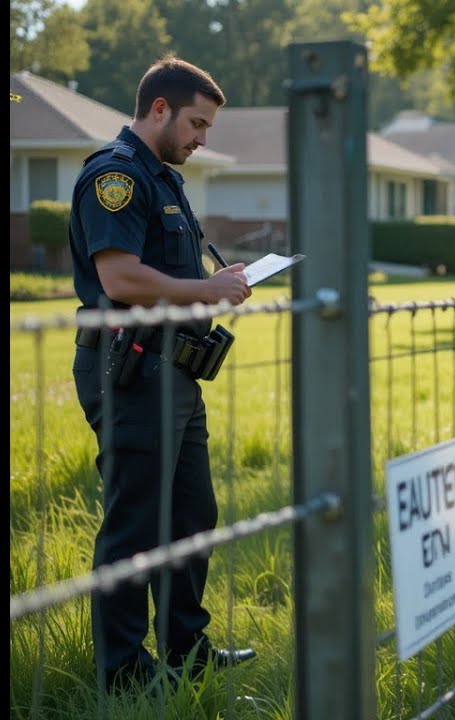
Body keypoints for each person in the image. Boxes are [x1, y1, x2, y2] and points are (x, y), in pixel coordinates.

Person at [68, 56, 256, 693]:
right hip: (130, 369)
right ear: (158, 109)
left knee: (191, 516)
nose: (202, 138)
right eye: (197, 123)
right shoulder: (116, 176)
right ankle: (121, 673)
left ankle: (187, 650)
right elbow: (118, 278)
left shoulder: (164, 180)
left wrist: (217, 284)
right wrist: (206, 290)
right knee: (136, 523)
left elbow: (172, 272)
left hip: (176, 370)